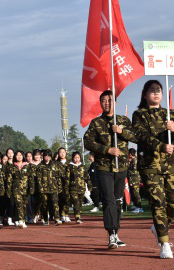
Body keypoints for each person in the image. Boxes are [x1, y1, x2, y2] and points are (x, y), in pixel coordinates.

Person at [132, 80, 174, 259]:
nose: (156, 93)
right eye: (152, 90)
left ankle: (158, 226)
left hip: (171, 164)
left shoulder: (170, 113)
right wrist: (161, 146)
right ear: (145, 94)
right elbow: (142, 135)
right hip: (150, 165)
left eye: (158, 90)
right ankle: (164, 242)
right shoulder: (139, 115)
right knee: (157, 202)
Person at [84, 90, 137, 249]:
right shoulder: (96, 123)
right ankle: (111, 234)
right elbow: (87, 142)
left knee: (118, 201)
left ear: (115, 102)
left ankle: (116, 232)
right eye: (104, 101)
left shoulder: (123, 120)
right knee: (109, 200)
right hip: (104, 167)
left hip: (121, 166)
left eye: (110, 100)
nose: (107, 103)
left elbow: (135, 137)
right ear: (100, 103)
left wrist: (121, 131)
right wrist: (107, 150)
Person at [37, 149, 62, 226]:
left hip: (53, 188)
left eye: (48, 156)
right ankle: (45, 218)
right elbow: (38, 179)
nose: (47, 158)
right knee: (44, 205)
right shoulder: (40, 166)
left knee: (55, 203)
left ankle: (57, 219)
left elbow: (58, 177)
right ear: (43, 156)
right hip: (44, 189)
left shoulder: (54, 165)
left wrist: (59, 186)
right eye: (45, 156)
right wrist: (40, 188)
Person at [11, 151, 35, 228]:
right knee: (19, 204)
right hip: (16, 189)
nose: (19, 157)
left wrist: (31, 188)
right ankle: (21, 220)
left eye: (20, 155)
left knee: (24, 205)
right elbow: (9, 179)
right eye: (17, 155)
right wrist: (9, 190)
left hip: (25, 189)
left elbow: (31, 178)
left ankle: (22, 220)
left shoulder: (27, 166)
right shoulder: (12, 167)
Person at [67, 151, 92, 224]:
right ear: (73, 158)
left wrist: (90, 186)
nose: (76, 159)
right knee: (76, 202)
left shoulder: (83, 167)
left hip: (81, 188)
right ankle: (77, 216)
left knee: (80, 203)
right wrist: (66, 188)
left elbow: (87, 177)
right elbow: (67, 179)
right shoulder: (70, 167)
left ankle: (79, 214)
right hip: (73, 188)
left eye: (78, 157)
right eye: (75, 157)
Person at [56, 147, 71, 223]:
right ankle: (61, 215)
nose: (62, 154)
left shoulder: (69, 164)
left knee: (67, 200)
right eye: (60, 152)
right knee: (60, 200)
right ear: (58, 154)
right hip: (58, 185)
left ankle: (66, 214)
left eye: (63, 152)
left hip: (68, 185)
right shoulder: (56, 164)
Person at [127, 148, 143, 213]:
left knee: (136, 194)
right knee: (134, 193)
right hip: (133, 179)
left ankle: (139, 207)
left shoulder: (135, 161)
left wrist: (131, 180)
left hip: (135, 180)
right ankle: (136, 205)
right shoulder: (133, 160)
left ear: (130, 154)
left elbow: (133, 172)